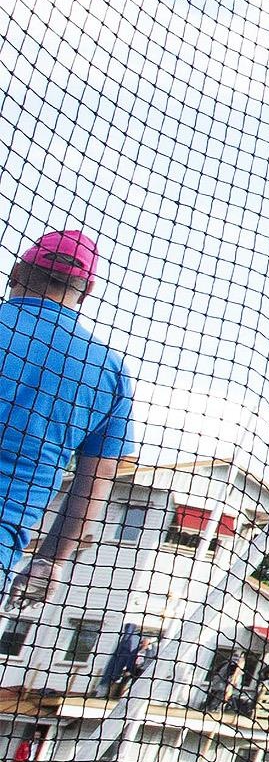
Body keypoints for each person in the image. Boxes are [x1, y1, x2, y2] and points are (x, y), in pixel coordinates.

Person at [1, 231, 132, 609]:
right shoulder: (108, 371)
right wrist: (49, 560)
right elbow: (97, 478)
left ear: (16, 271)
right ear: (87, 291)